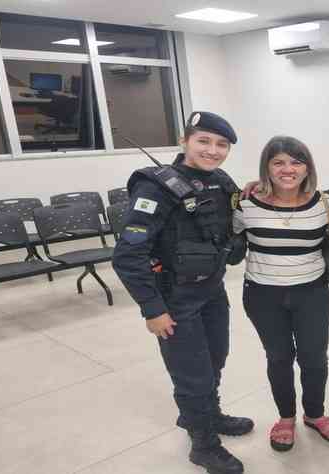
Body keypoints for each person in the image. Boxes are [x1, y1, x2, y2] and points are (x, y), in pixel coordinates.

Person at [112, 111, 253, 474]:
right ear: (184, 141)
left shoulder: (221, 181)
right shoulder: (155, 187)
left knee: (215, 359)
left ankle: (211, 414)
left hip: (212, 290)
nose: (213, 150)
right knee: (192, 374)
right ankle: (203, 445)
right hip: (175, 301)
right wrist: (152, 309)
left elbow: (233, 222)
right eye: (203, 141)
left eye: (221, 144)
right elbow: (129, 255)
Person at [232, 136, 329, 452]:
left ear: (307, 167)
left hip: (311, 293)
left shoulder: (326, 203)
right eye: (278, 162)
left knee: (314, 358)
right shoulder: (243, 203)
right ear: (266, 168)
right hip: (262, 295)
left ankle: (315, 414)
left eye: (296, 162)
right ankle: (286, 418)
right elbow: (225, 237)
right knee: (279, 358)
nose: (288, 169)